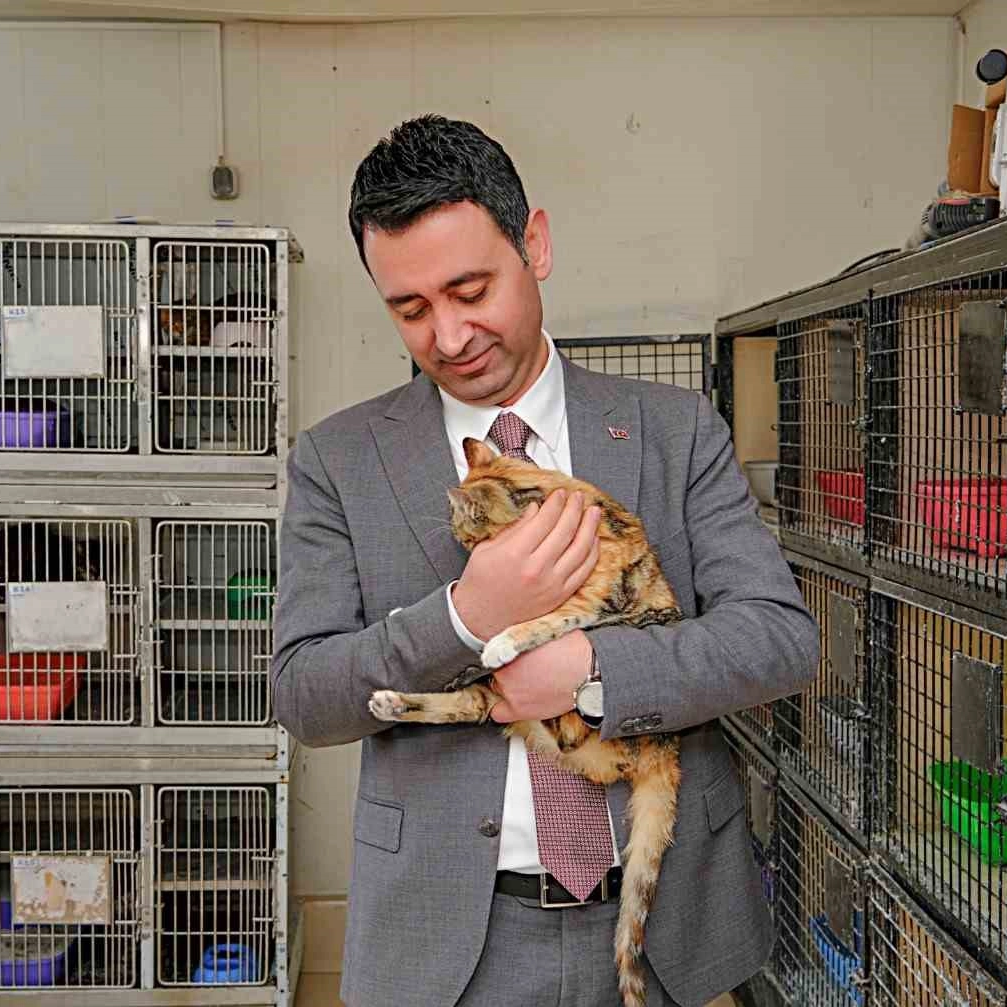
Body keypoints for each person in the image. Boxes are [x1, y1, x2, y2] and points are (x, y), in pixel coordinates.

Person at [271, 114, 818, 1007]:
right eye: (411, 309)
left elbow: (779, 640)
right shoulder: (338, 460)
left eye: (470, 289)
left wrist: (591, 670)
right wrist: (466, 617)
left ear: (536, 245)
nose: (450, 335)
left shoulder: (673, 430)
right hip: (447, 941)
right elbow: (305, 693)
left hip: (667, 921)